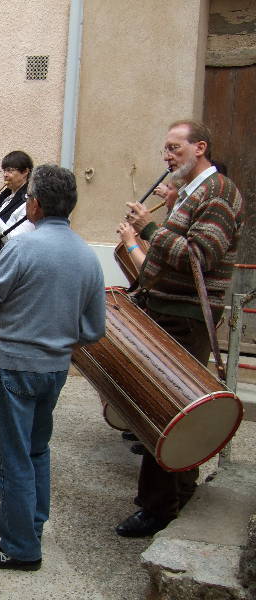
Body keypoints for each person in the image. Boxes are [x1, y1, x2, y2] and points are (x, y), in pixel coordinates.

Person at [0, 164, 106, 571]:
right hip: (55, 370)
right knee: (37, 451)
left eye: (28, 197)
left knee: (12, 459)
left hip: (13, 369)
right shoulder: (87, 256)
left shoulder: (23, 248)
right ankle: (31, 528)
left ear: (36, 204)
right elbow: (94, 328)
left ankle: (20, 547)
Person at [114, 120, 243, 538]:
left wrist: (148, 231)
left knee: (164, 409)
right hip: (168, 311)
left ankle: (158, 508)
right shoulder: (193, 193)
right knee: (175, 408)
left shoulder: (219, 192)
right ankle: (180, 493)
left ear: (200, 147)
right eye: (165, 149)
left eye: (175, 148)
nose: (167, 157)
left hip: (183, 318)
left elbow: (199, 255)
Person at [0, 151, 35, 237]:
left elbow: (16, 239)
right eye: (4, 171)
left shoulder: (29, 201)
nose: (5, 175)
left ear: (25, 172)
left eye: (10, 170)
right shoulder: (6, 195)